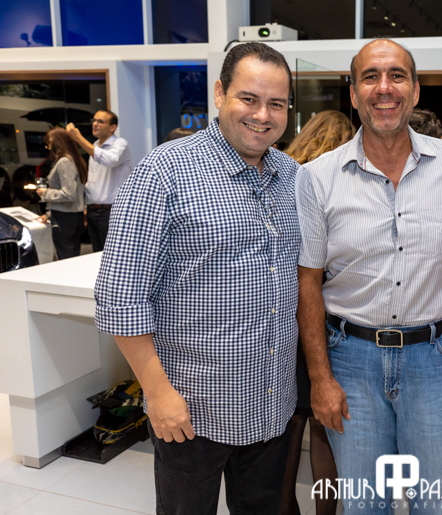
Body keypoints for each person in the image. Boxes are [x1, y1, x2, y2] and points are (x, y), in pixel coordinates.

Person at [94, 42, 300, 514]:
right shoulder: (163, 172)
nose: (263, 115)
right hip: (191, 412)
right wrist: (157, 394)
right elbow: (120, 296)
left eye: (276, 103)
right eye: (249, 98)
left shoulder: (291, 175)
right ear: (219, 93)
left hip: (271, 405)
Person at [295, 39, 442, 514]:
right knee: (363, 504)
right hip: (351, 359)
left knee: (431, 501)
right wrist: (320, 378)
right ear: (353, 93)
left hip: (438, 358)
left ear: (415, 90)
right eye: (370, 77)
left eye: (397, 75)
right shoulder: (317, 177)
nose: (384, 88)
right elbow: (307, 282)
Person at [281, 110, 355, 515]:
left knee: (289, 430)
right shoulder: (338, 179)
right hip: (326, 318)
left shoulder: (284, 174)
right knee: (326, 428)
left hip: (285, 316)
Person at [66, 109, 133, 252]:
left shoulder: (120, 144)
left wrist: (79, 138)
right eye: (94, 120)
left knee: (113, 253)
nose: (95, 124)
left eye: (100, 121)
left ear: (112, 127)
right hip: (93, 209)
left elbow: (110, 160)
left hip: (112, 210)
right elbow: (93, 181)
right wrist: (87, 206)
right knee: (97, 253)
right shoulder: (95, 146)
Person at [36, 127, 87, 259]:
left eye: (49, 143)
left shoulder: (65, 161)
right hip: (71, 216)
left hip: (65, 218)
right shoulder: (74, 160)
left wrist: (45, 193)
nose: (48, 147)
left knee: (66, 258)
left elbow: (69, 194)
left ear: (55, 142)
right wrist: (48, 214)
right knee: (72, 257)